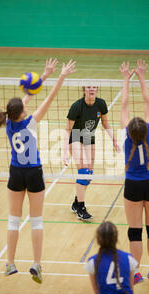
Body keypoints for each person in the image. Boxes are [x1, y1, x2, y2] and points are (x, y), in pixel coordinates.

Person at [0, 58, 76, 284]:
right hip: (33, 173)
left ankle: (9, 264)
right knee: (37, 221)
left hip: (16, 173)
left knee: (13, 220)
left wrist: (44, 75)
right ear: (23, 112)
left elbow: (27, 97)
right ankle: (36, 264)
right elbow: (50, 98)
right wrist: (59, 76)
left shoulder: (9, 123)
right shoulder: (31, 122)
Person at [119, 60, 149, 285]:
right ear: (146, 128)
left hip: (133, 186)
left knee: (135, 231)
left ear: (130, 130)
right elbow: (148, 102)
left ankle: (135, 272)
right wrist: (142, 76)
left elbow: (124, 105)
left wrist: (126, 79)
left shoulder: (127, 138)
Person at [62, 83, 120, 222]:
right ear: (84, 90)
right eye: (88, 87)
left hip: (88, 135)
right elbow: (67, 130)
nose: (92, 89)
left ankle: (76, 202)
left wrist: (114, 140)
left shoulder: (101, 104)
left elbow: (105, 123)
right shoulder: (77, 106)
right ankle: (81, 208)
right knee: (83, 171)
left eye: (94, 87)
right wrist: (65, 152)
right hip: (75, 135)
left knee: (89, 174)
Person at [85, 221, 137, 294]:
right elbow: (131, 290)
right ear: (116, 238)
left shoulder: (92, 262)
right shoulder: (129, 258)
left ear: (98, 240)